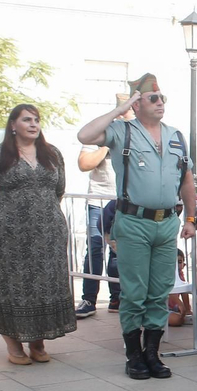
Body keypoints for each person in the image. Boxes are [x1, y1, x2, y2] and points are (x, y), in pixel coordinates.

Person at [76, 74, 197, 381]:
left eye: (162, 98)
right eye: (152, 98)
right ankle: (133, 355)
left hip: (166, 223)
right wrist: (121, 109)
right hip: (133, 222)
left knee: (159, 292)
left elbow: (186, 180)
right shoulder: (122, 132)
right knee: (134, 292)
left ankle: (152, 354)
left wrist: (192, 219)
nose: (160, 103)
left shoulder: (175, 136)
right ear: (137, 102)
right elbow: (84, 135)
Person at [0, 105, 77, 365]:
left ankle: (38, 343)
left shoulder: (52, 154)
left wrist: (43, 215)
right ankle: (14, 346)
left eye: (37, 120)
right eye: (26, 119)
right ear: (13, 125)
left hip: (47, 236)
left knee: (43, 287)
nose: (33, 124)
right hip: (7, 238)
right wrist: (3, 217)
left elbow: (58, 190)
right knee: (9, 288)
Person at [76, 100, 125, 318]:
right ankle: (89, 299)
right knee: (95, 249)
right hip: (98, 201)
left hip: (123, 202)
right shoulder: (101, 132)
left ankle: (117, 297)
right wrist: (109, 142)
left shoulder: (139, 133)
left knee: (119, 252)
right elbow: (84, 163)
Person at [167, 250, 193, 327]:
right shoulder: (166, 275)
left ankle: (183, 313)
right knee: (177, 321)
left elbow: (184, 292)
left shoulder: (180, 275)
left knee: (187, 313)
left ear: (184, 264)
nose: (176, 265)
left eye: (179, 262)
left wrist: (187, 309)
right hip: (161, 307)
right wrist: (180, 304)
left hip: (173, 306)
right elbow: (168, 291)